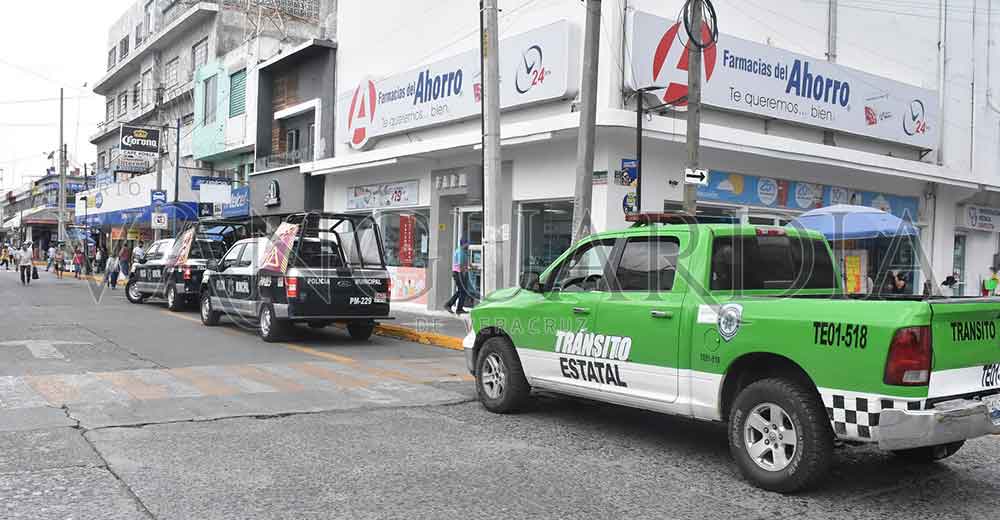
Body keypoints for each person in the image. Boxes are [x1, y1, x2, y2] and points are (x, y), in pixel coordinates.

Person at [443, 238, 470, 314]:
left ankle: (454, 307)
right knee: (463, 291)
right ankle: (452, 306)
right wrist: (465, 271)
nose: (468, 245)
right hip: (459, 273)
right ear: (464, 244)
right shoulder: (460, 252)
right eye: (467, 243)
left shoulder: (462, 251)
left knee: (461, 291)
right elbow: (460, 265)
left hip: (458, 273)